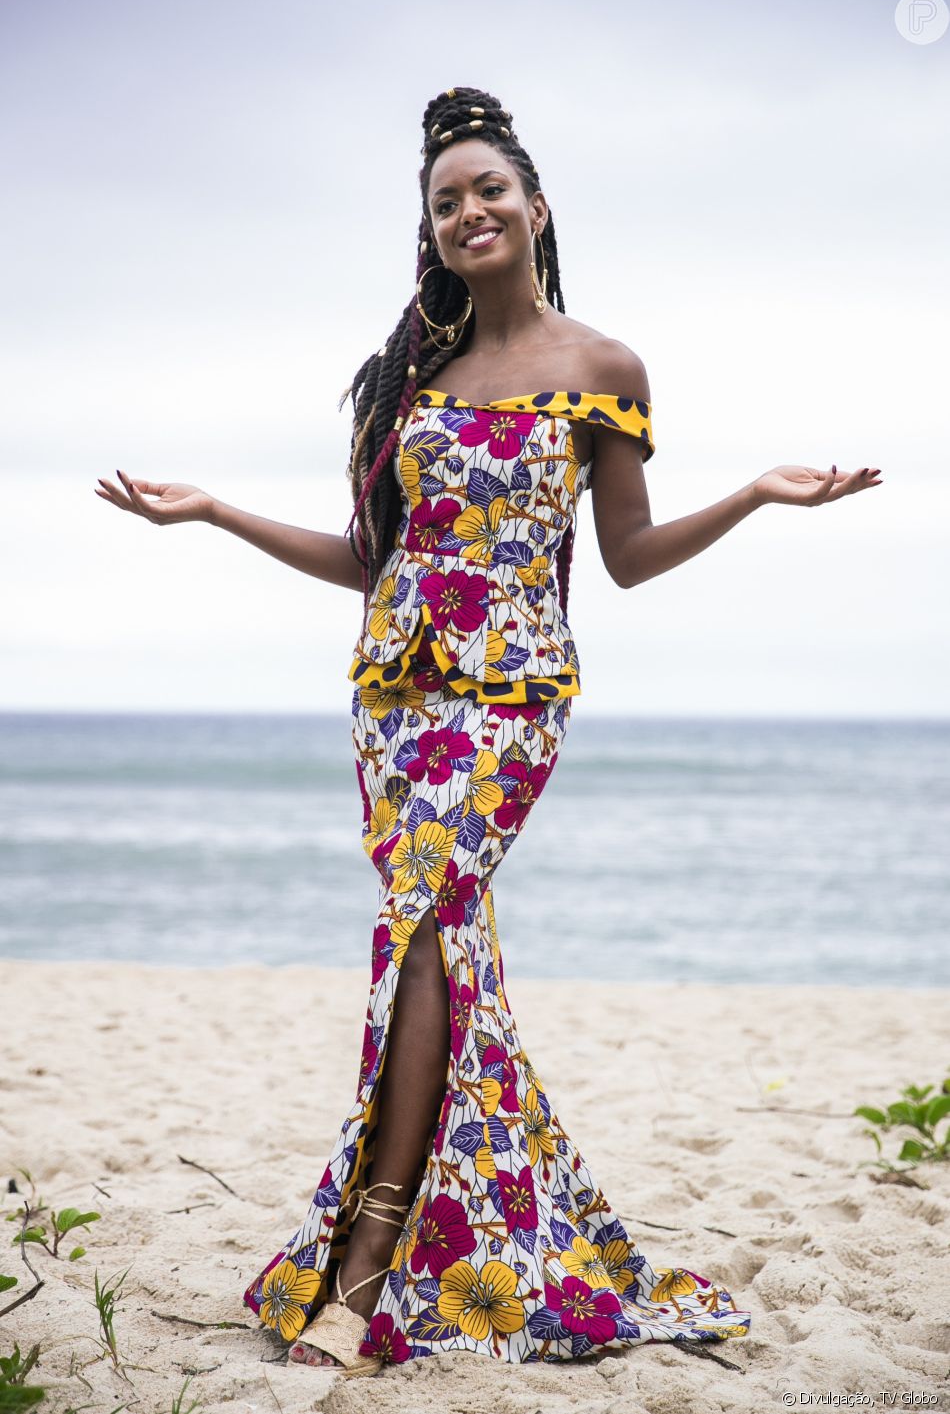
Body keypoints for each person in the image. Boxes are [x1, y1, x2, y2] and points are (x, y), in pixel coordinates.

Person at [94, 85, 881, 1379]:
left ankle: (358, 1273)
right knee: (433, 945)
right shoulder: (411, 379)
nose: (469, 210)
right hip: (394, 700)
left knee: (422, 930)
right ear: (431, 227)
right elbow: (370, 556)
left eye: (488, 190)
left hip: (511, 695)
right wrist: (215, 513)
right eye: (445, 199)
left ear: (535, 206)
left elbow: (623, 556)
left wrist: (750, 494)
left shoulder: (601, 368)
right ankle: (426, 1238)